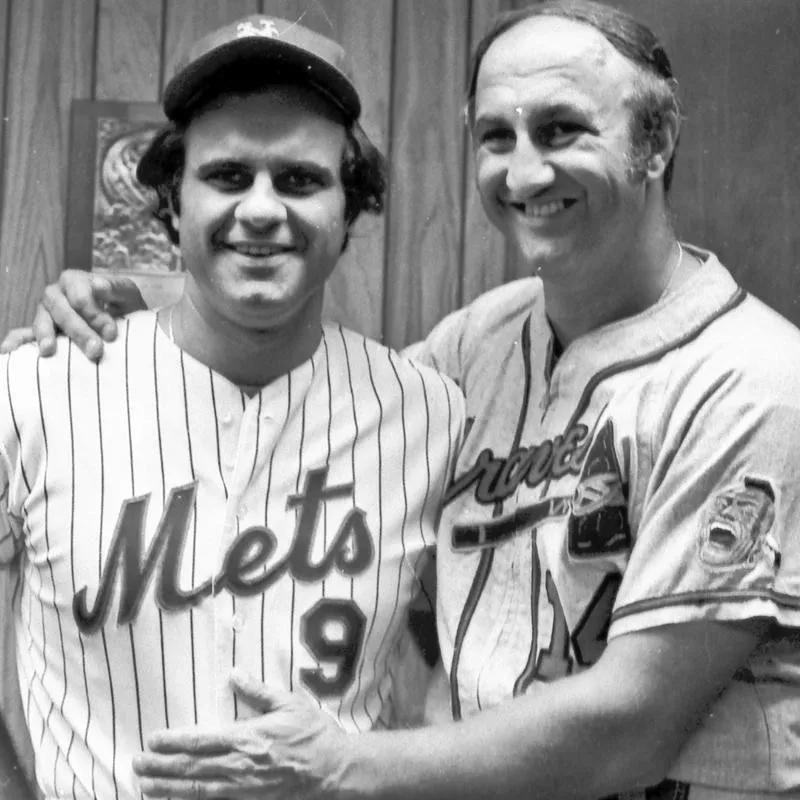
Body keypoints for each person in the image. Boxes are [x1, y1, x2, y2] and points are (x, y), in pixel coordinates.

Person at [7, 1, 800, 798]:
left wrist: (341, 766)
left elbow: (636, 723)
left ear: (657, 142)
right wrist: (148, 297)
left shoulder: (751, 380)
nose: (524, 172)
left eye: (563, 130)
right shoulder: (476, 349)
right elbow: (285, 348)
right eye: (497, 136)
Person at [0, 14, 464, 800]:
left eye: (299, 180)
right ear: (173, 204)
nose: (259, 209)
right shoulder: (33, 390)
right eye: (227, 175)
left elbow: (454, 659)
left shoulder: (429, 415)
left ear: (349, 212)